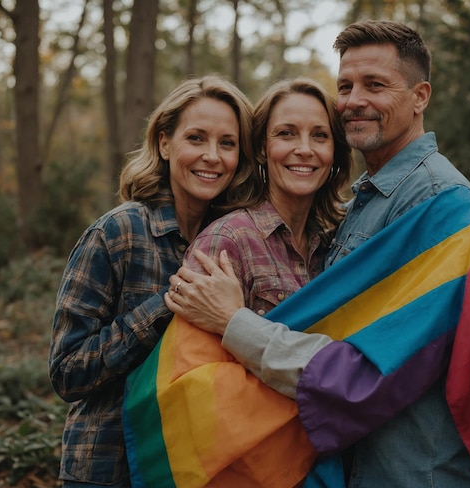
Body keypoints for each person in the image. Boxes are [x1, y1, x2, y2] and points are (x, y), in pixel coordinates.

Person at [166, 20, 470, 488]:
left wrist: (235, 322)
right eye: (345, 86)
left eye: (375, 85)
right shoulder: (359, 205)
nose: (354, 100)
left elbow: (371, 374)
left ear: (420, 96)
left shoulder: (439, 207)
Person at [124, 77, 353, 488]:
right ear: (263, 149)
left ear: (334, 151)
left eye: (319, 135)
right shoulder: (227, 241)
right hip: (243, 474)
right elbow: (190, 389)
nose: (304, 148)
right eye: (286, 134)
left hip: (322, 469)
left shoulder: (334, 249)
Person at [48, 75, 255, 488]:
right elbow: (67, 372)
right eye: (196, 138)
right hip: (108, 469)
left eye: (227, 143)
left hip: (194, 468)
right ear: (164, 143)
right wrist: (169, 302)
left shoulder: (237, 240)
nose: (212, 156)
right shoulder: (117, 232)